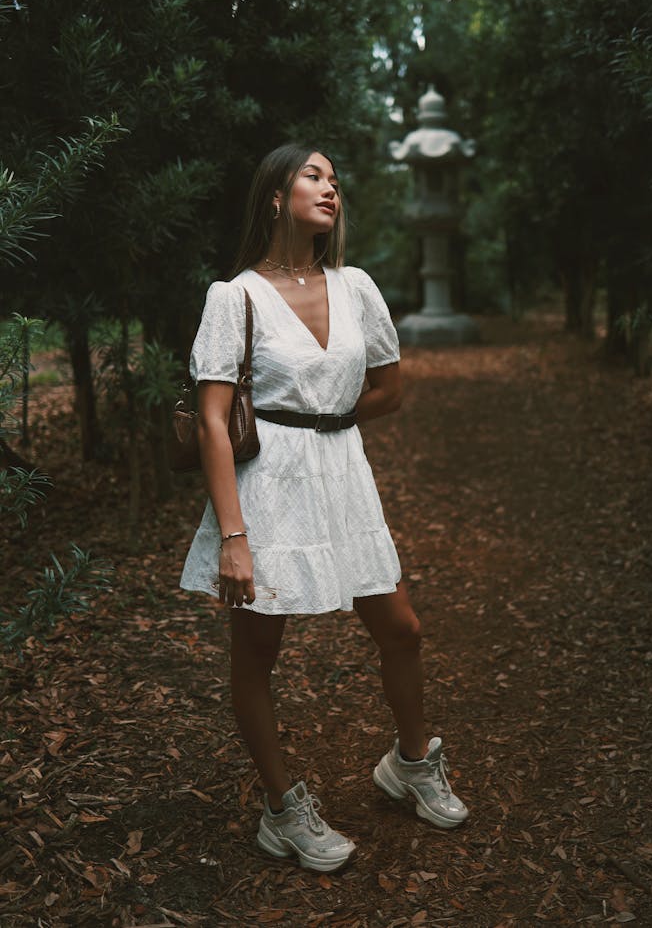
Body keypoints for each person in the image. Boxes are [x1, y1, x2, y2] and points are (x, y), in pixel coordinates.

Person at [180, 144, 467, 873]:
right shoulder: (234, 296)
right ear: (275, 195)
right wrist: (234, 538)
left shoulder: (356, 286)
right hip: (267, 490)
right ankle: (282, 809)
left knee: (401, 627)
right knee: (258, 651)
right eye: (314, 175)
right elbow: (214, 420)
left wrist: (324, 423)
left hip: (342, 474)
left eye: (335, 179)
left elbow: (389, 389)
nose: (330, 187)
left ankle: (409, 763)